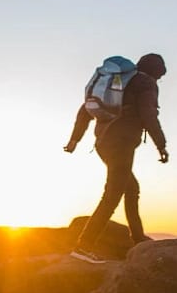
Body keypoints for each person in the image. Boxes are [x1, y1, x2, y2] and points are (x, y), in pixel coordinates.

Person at [63, 53, 169, 263]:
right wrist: (161, 144)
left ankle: (138, 240)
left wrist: (75, 140)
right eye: (159, 77)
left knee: (131, 188)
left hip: (103, 143)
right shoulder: (146, 83)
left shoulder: (119, 82)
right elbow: (149, 114)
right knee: (112, 195)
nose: (159, 81)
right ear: (156, 73)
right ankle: (84, 246)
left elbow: (85, 109)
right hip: (122, 144)